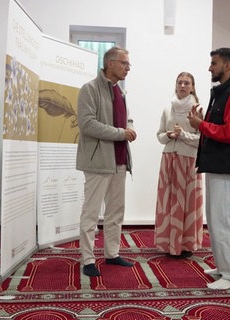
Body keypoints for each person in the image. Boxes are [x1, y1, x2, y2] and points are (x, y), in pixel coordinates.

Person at [187, 47, 230, 290]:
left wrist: (201, 125)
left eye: (213, 63)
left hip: (224, 166)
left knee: (224, 221)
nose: (209, 68)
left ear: (227, 66)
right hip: (216, 164)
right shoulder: (223, 92)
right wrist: (202, 123)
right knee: (215, 220)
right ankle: (224, 268)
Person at [76, 46, 137, 277]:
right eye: (124, 63)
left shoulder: (120, 92)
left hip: (120, 161)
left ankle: (112, 254)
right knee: (91, 212)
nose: (128, 68)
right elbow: (87, 124)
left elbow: (127, 119)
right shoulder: (89, 89)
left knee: (115, 211)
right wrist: (122, 133)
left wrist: (129, 128)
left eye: (128, 64)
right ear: (110, 63)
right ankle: (88, 259)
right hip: (98, 162)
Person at [154, 72, 203, 259]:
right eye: (180, 82)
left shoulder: (198, 109)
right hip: (168, 158)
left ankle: (187, 244)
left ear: (192, 87)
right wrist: (168, 135)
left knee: (188, 203)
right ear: (176, 85)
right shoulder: (168, 109)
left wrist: (182, 135)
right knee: (168, 201)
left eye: (187, 83)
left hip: (189, 160)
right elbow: (159, 135)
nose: (182, 85)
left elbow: (202, 140)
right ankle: (168, 243)